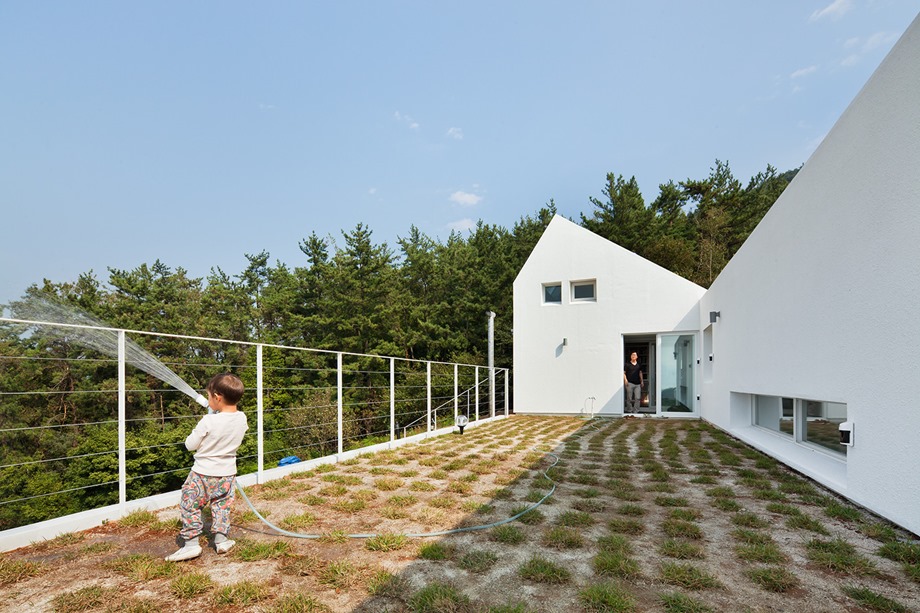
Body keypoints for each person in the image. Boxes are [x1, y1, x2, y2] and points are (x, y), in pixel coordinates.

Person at [165, 373, 248, 562]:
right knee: (221, 507)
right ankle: (222, 541)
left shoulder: (208, 421)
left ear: (217, 398)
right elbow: (227, 426)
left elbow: (190, 444)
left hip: (202, 474)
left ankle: (191, 545)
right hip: (227, 475)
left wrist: (208, 420)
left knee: (190, 504)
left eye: (209, 396)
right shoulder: (242, 418)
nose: (208, 399)